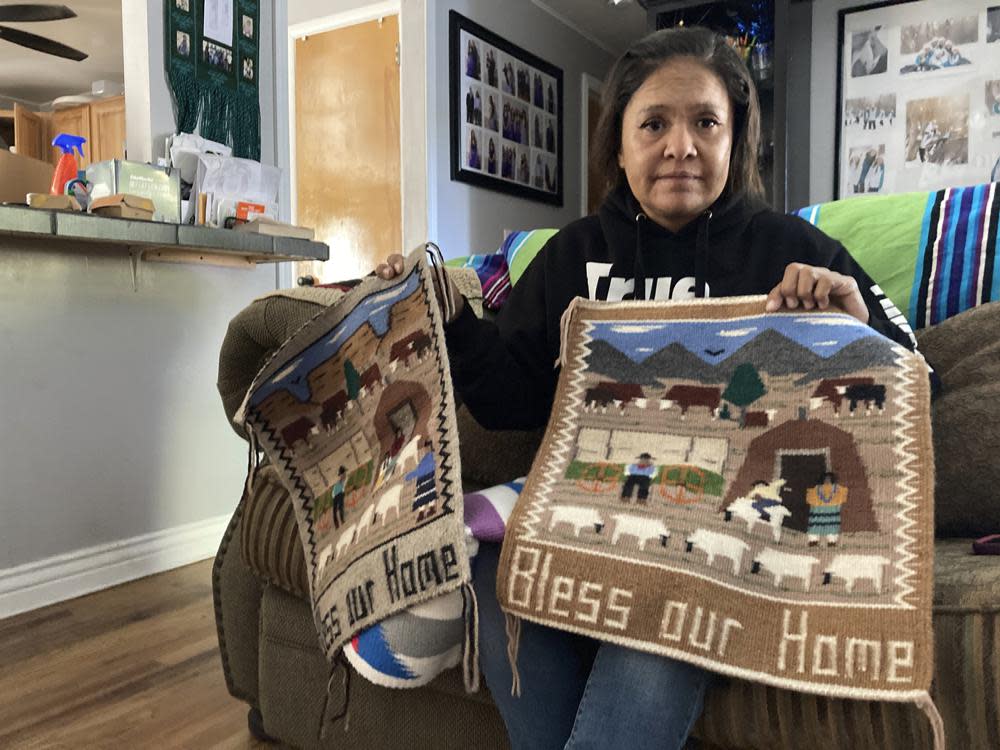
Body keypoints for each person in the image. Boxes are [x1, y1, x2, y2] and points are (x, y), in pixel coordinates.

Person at [376, 26, 914, 750]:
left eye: (706, 123)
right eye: (654, 123)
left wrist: (852, 329)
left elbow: (916, 385)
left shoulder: (795, 251)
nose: (681, 146)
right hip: (580, 521)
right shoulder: (572, 255)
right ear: (620, 145)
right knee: (475, 559)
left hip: (715, 549)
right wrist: (450, 317)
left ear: (735, 139)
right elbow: (509, 404)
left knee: (660, 604)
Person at [805, 471, 848, 546]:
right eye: (825, 479)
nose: (827, 480)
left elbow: (841, 497)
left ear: (832, 479)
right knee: (815, 525)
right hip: (818, 510)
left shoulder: (837, 488)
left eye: (829, 479)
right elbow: (811, 499)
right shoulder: (817, 488)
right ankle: (813, 540)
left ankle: (832, 541)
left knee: (831, 526)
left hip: (832, 511)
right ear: (822, 479)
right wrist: (813, 508)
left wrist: (838, 506)